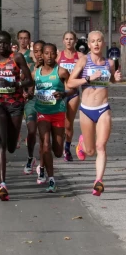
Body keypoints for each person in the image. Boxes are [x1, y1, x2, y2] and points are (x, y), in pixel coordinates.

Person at [0, 31, 33, 201]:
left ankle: (13, 140)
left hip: (15, 105)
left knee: (10, 145)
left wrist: (14, 83)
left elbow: (30, 80)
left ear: (10, 43)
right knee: (0, 143)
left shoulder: (16, 58)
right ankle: (2, 184)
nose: (2, 46)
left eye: (5, 43)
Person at [67, 31, 122, 196]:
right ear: (89, 45)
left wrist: (116, 78)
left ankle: (98, 181)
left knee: (101, 146)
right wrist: (88, 79)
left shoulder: (109, 63)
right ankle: (82, 144)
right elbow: (70, 82)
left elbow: (111, 79)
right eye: (93, 41)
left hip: (104, 108)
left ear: (103, 43)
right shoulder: (84, 60)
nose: (96, 44)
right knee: (90, 151)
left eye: (99, 41)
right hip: (86, 110)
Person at [34, 43, 70, 193]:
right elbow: (29, 88)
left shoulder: (61, 72)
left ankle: (44, 166)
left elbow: (72, 87)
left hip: (58, 113)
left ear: (56, 54)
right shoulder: (35, 72)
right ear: (42, 55)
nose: (49, 56)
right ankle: (51, 179)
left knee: (58, 151)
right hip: (42, 112)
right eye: (46, 53)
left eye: (52, 53)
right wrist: (27, 93)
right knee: (46, 144)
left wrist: (63, 94)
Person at [57, 31, 82, 162]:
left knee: (68, 124)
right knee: (59, 123)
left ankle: (67, 148)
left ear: (75, 41)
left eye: (71, 39)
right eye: (66, 39)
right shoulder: (58, 56)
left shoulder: (81, 56)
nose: (68, 41)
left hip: (73, 93)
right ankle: (59, 145)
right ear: (63, 41)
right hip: (60, 93)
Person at [23, 40, 45, 175]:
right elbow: (23, 83)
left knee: (44, 136)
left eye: (41, 51)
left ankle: (42, 165)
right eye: (36, 51)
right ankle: (30, 157)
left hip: (46, 103)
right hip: (31, 103)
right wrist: (26, 92)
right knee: (31, 131)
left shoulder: (53, 67)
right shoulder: (29, 67)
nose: (39, 54)